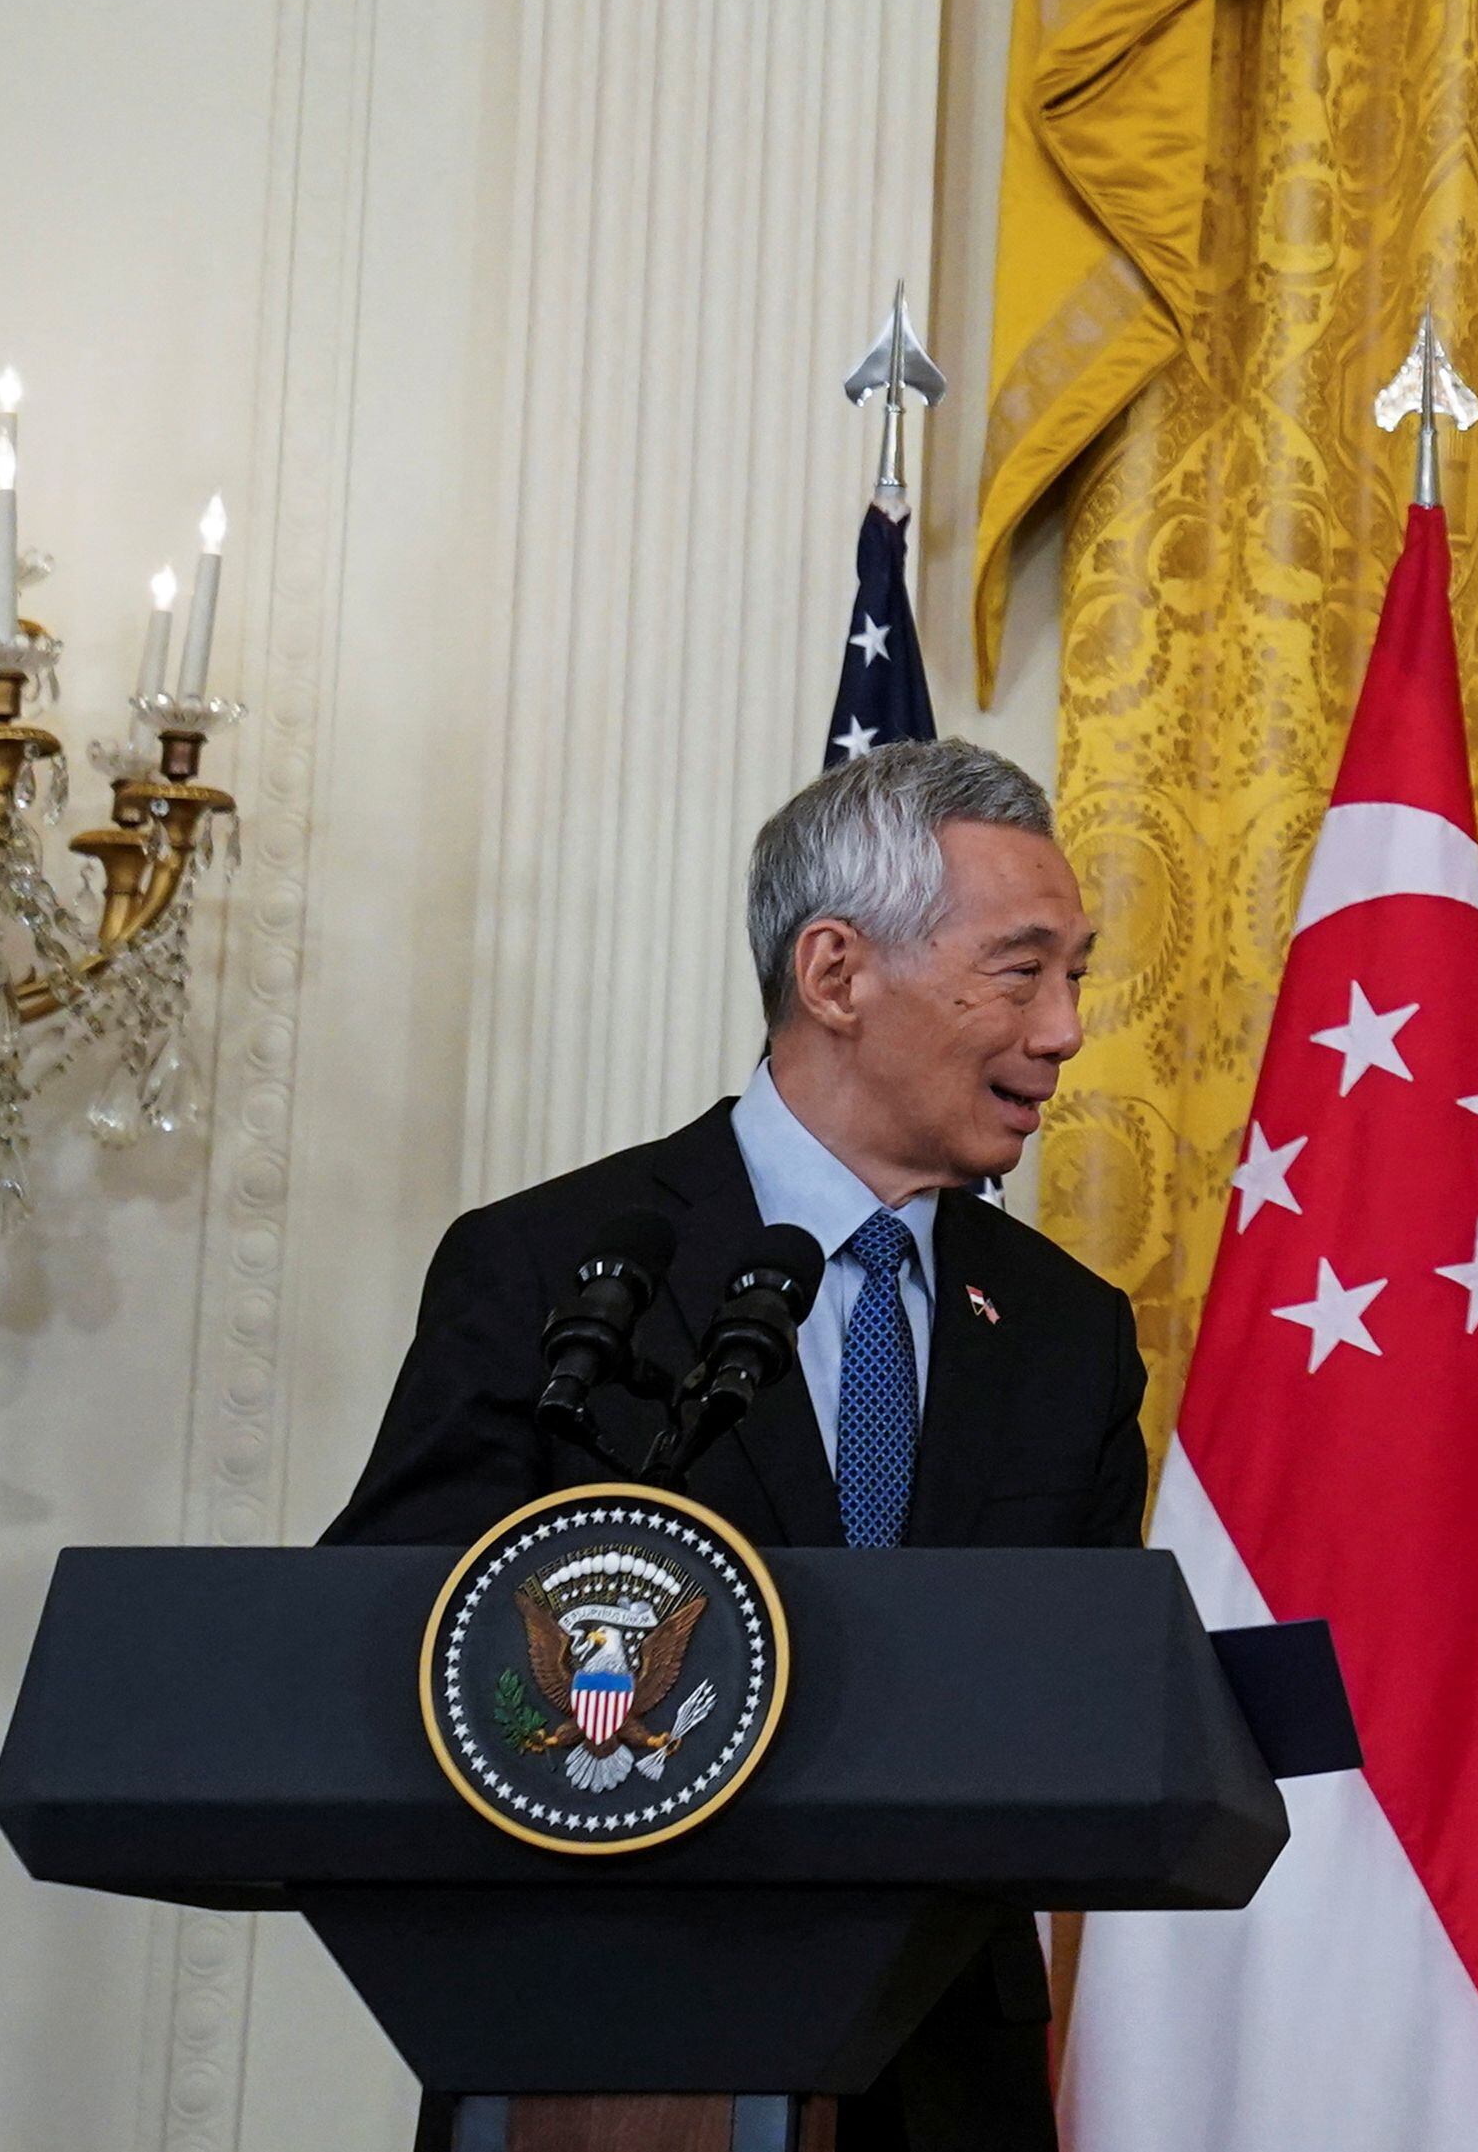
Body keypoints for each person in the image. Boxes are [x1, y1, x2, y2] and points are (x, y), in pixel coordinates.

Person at [330, 739, 1142, 2152]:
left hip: (946, 2078)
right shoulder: (549, 1266)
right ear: (835, 975)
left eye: (1075, 972)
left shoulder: (1068, 1334)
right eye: (1022, 971)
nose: (1066, 1027)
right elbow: (396, 1628)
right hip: (600, 2042)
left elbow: (1084, 1696)